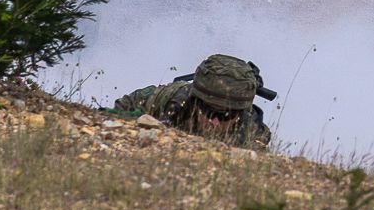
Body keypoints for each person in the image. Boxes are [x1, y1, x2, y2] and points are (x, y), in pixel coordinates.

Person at [112, 54, 273, 149]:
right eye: (209, 112)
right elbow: (121, 109)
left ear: (239, 113)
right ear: (196, 102)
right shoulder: (167, 99)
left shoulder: (252, 131)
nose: (215, 122)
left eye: (225, 115)